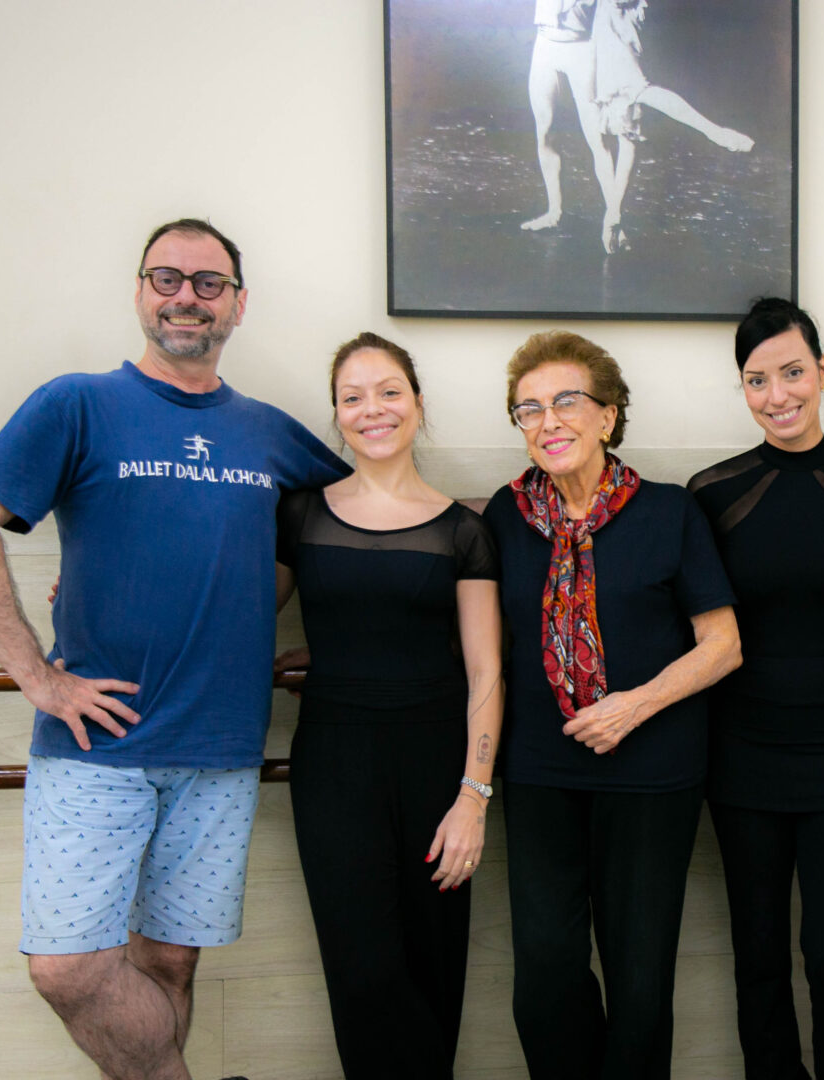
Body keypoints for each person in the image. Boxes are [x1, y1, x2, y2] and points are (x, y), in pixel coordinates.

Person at [0, 219, 348, 1080]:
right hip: (95, 748)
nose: (186, 296)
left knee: (170, 964)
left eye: (207, 282)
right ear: (139, 291)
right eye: (167, 278)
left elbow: (346, 533)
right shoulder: (77, 403)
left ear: (237, 304)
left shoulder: (270, 433)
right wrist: (37, 677)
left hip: (222, 748)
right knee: (68, 969)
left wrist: (277, 618)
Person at [481, 330, 742, 1079]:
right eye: (527, 409)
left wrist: (633, 705)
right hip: (538, 773)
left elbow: (722, 645)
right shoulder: (504, 517)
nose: (547, 421)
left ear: (609, 415)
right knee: (545, 977)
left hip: (651, 775)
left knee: (639, 980)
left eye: (566, 401)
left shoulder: (668, 511)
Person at [272, 332, 502, 1079]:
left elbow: (486, 671)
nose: (372, 409)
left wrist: (473, 797)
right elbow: (231, 612)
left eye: (388, 391)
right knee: (363, 969)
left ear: (418, 404)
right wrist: (104, 594)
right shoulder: (299, 515)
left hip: (438, 762)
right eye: (352, 396)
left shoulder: (463, 530)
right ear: (337, 416)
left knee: (433, 964)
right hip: (335, 763)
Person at [687, 299, 824, 1080]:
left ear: (822, 372)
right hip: (742, 748)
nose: (777, 394)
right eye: (757, 380)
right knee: (758, 956)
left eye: (792, 372)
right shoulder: (712, 492)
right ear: (741, 389)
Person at [590, 0, 755, 254]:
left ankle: (712, 130)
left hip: (612, 16)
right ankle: (614, 213)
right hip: (605, 22)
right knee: (626, 125)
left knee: (635, 95)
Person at [521, 0, 615, 234]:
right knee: (545, 131)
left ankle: (616, 218)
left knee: (598, 136)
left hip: (582, 47)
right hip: (545, 44)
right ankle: (555, 212)